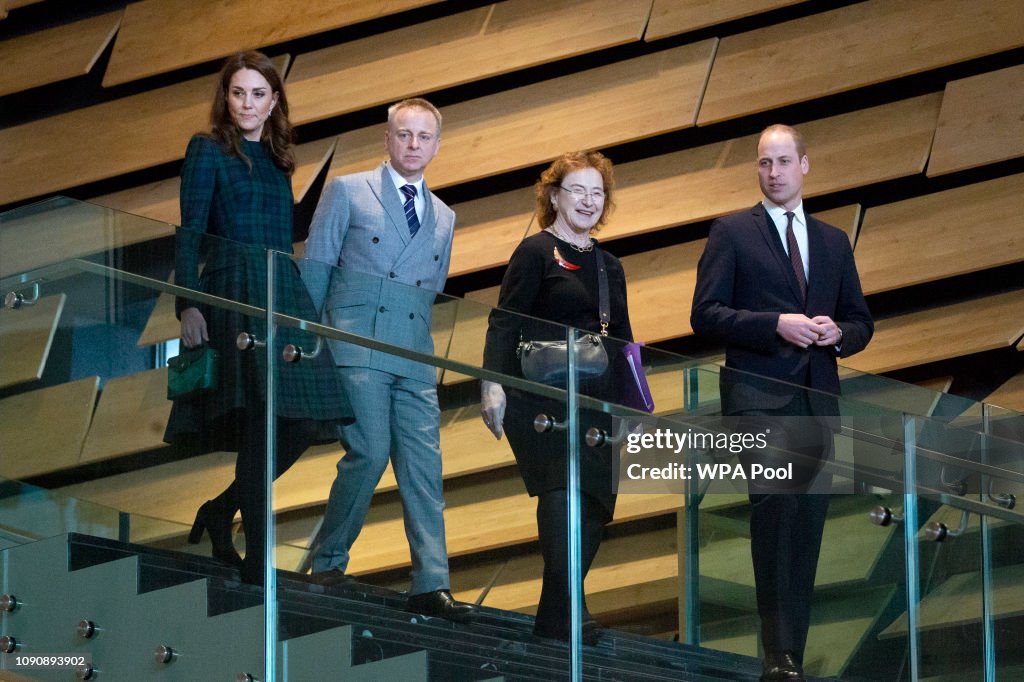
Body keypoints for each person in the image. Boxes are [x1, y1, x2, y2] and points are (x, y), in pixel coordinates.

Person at [691, 125, 873, 681]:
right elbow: (706, 314)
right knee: (774, 518)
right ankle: (778, 652)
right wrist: (777, 325)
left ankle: (793, 647)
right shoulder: (732, 232)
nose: (773, 172)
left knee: (808, 524)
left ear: (805, 165)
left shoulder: (834, 241)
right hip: (758, 399)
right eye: (764, 163)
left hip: (817, 400)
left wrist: (834, 333)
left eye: (783, 162)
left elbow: (862, 322)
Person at [163, 51, 353, 585]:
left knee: (304, 420)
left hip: (282, 290)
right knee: (259, 419)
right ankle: (256, 562)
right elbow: (189, 230)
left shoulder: (278, 158)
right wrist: (188, 302)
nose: (247, 103)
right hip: (233, 289)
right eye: (238, 93)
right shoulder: (207, 149)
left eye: (258, 94)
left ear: (274, 102)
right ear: (226, 98)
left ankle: (222, 509)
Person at [303, 98, 474, 623]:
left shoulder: (445, 216)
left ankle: (431, 582)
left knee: (424, 468)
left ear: (437, 146)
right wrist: (306, 345)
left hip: (414, 351)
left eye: (424, 137)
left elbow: (434, 288)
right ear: (387, 139)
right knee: (370, 452)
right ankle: (327, 561)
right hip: (355, 342)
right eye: (404, 134)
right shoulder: (348, 190)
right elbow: (316, 267)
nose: (414, 145)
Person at [479, 151, 635, 643]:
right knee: (561, 491)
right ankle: (572, 609)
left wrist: (633, 407)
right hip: (541, 398)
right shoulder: (534, 251)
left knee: (595, 503)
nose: (589, 201)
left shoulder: (610, 264)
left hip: (597, 399)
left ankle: (554, 617)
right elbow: (504, 320)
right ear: (553, 196)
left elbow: (624, 339)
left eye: (597, 192)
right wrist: (491, 383)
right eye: (578, 191)